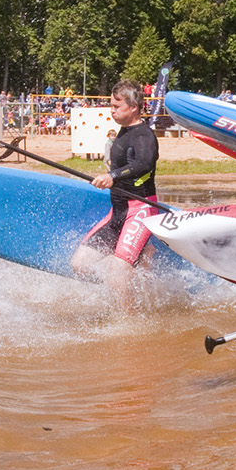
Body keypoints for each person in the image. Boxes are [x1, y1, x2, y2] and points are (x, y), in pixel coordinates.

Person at [70, 80, 160, 303]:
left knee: (117, 278)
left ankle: (128, 326)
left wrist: (113, 176)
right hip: (118, 211)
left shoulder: (144, 136)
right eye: (111, 105)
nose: (112, 110)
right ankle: (139, 253)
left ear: (133, 107)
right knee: (79, 265)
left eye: (116, 106)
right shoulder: (123, 132)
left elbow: (144, 164)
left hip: (140, 210)